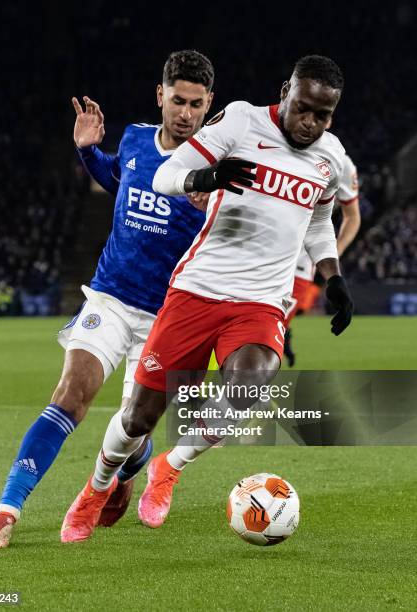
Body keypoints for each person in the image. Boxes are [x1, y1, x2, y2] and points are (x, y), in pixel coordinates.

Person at [61, 55, 354, 541]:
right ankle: (96, 488)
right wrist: (206, 177)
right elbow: (165, 176)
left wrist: (332, 276)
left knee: (250, 385)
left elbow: (320, 222)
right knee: (139, 416)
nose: (310, 123)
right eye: (303, 108)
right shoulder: (239, 120)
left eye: (323, 116)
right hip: (196, 290)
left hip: (261, 301)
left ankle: (170, 468)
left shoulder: (330, 156)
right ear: (286, 91)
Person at [0, 49, 214, 548]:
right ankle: (7, 509)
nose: (186, 113)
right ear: (160, 95)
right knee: (69, 395)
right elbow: (118, 179)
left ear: (209, 102)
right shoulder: (133, 139)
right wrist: (88, 152)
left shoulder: (216, 170)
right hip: (109, 298)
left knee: (133, 429)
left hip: (167, 318)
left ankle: (130, 469)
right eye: (177, 100)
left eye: (196, 103)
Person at [284, 153, 361, 365]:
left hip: (299, 263)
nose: (310, 121)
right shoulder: (267, 142)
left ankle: (246, 393)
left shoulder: (341, 163)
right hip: (254, 253)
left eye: (321, 117)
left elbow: (352, 216)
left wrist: (331, 255)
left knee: (271, 325)